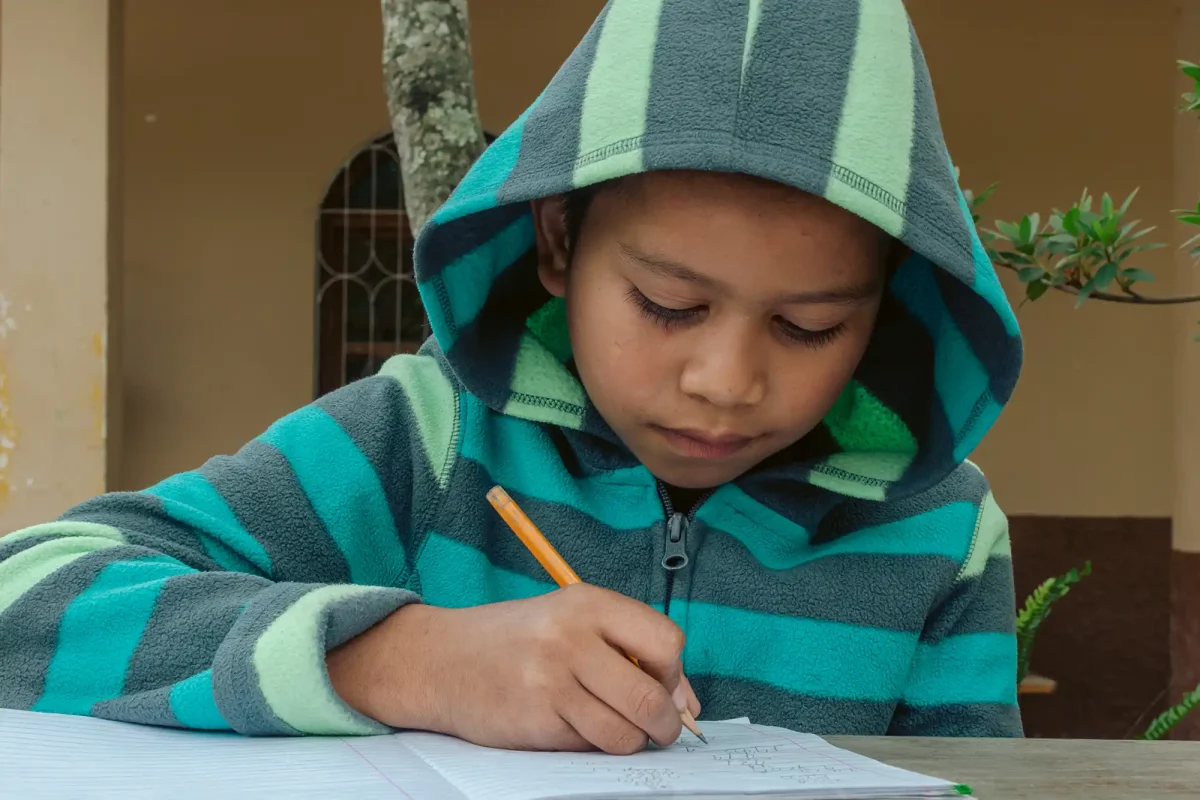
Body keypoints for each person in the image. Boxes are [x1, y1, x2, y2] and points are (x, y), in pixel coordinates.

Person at [0, 0, 1024, 753]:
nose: (724, 378)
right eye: (669, 305)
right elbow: (24, 601)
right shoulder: (424, 438)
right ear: (556, 242)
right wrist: (404, 657)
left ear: (884, 313)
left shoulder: (942, 537)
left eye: (810, 325)